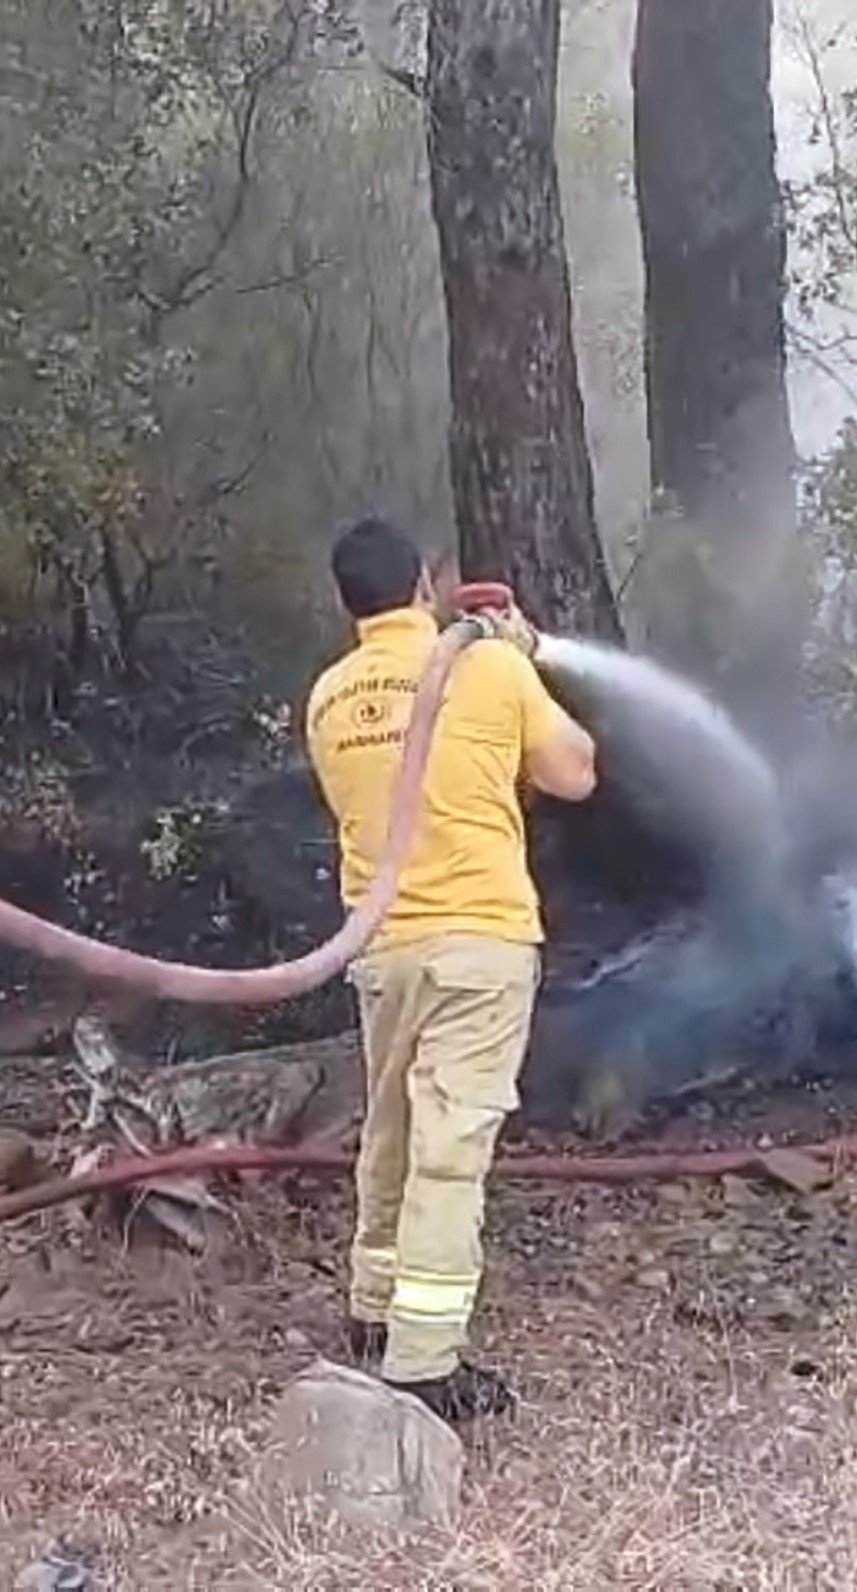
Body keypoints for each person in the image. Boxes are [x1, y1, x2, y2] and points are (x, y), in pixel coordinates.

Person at [302, 516, 599, 1421]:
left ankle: (370, 1309)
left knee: (387, 1130)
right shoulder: (487, 666)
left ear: (345, 600)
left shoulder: (326, 697)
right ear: (427, 587)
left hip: (381, 949)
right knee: (449, 1149)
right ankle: (424, 1365)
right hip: (478, 943)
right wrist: (523, 660)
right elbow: (576, 773)